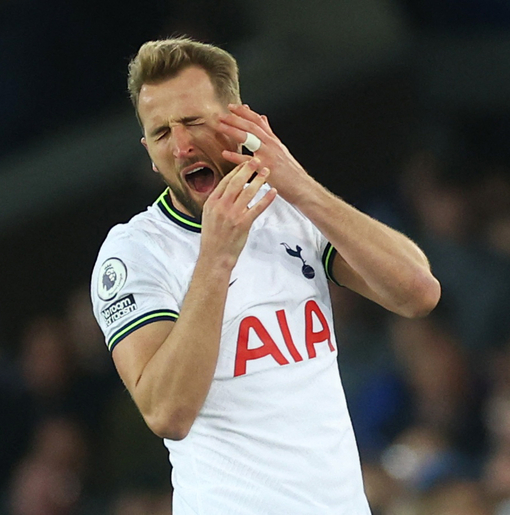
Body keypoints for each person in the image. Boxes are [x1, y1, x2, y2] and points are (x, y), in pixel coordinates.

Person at [90, 36, 441, 515]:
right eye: (162, 132)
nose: (182, 145)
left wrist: (300, 186)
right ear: (150, 152)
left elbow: (417, 293)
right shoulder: (135, 251)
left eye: (193, 121)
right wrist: (216, 258)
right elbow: (167, 412)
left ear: (239, 120)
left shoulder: (290, 209)